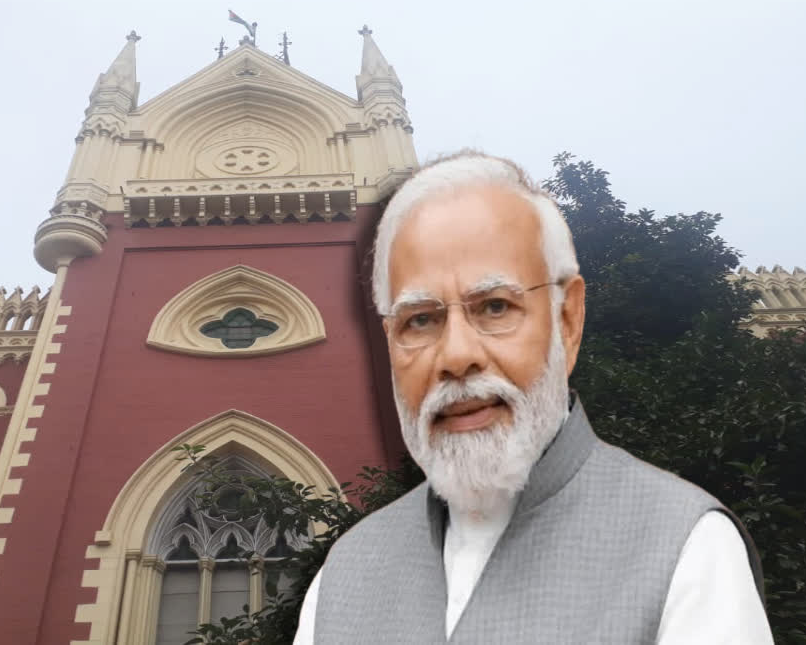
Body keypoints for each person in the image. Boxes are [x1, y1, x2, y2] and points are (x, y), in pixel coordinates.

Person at [293, 150, 773, 644]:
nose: (456, 356)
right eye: (420, 319)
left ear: (567, 321)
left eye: (495, 307)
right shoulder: (342, 577)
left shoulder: (685, 546)